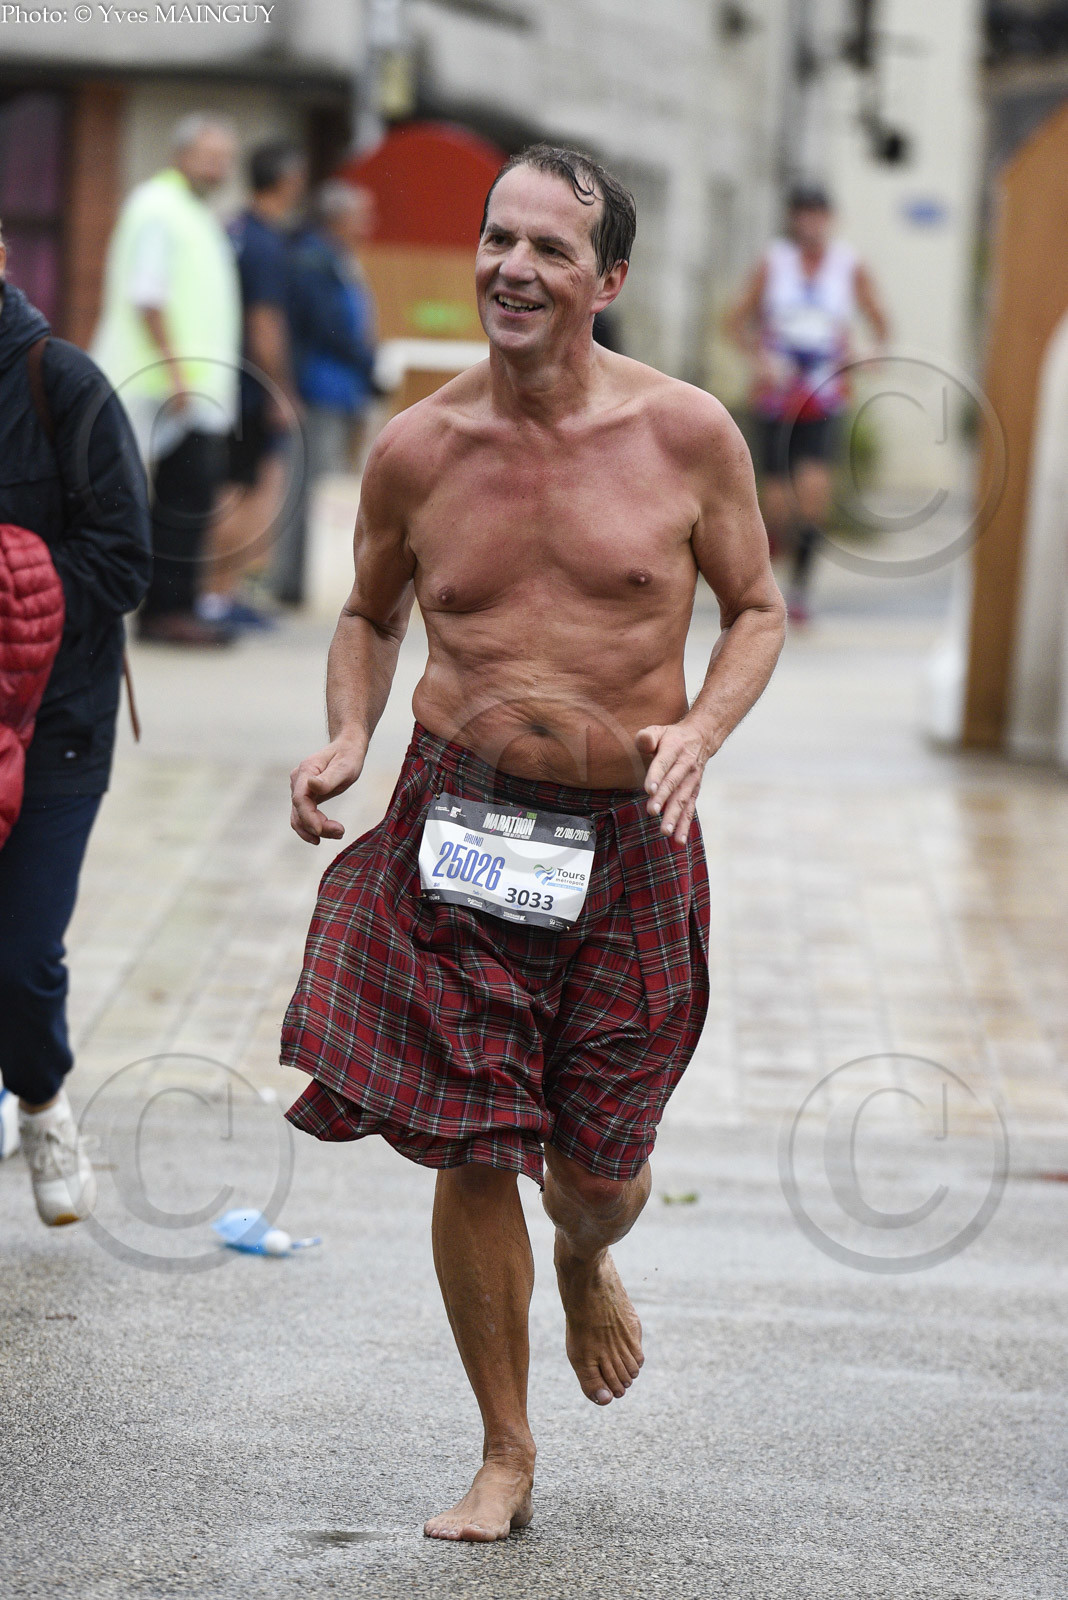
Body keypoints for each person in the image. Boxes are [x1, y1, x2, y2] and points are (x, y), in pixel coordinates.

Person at [283, 144, 786, 1542]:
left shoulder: (688, 435)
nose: (511, 266)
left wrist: (701, 732)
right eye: (497, 238)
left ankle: (583, 1252)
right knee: (473, 1136)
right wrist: (348, 731)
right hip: (461, 819)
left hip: (629, 832)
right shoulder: (421, 447)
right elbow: (370, 611)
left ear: (605, 278)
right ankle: (505, 1449)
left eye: (549, 247)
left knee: (603, 1170)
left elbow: (756, 607)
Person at [0, 223, 151, 1224]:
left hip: (56, 720)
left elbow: (126, 559)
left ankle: (40, 1095)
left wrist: (15, 579)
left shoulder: (63, 383)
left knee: (19, 953)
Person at [92, 113, 240, 646]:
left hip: (189, 387)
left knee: (187, 500)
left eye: (224, 159)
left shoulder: (193, 213)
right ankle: (162, 612)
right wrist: (176, 373)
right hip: (159, 384)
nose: (218, 168)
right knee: (166, 502)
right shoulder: (158, 207)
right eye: (209, 157)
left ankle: (171, 607)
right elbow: (147, 296)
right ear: (181, 154)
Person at [725, 184, 889, 621]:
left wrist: (865, 354)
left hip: (823, 394)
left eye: (818, 214)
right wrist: (760, 359)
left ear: (829, 219)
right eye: (803, 214)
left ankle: (799, 591)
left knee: (814, 493)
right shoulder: (773, 262)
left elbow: (880, 323)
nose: (810, 223)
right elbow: (734, 322)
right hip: (778, 395)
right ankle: (767, 584)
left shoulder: (848, 266)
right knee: (776, 501)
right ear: (793, 218)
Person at [199, 139, 307, 631]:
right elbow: (265, 322)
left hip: (224, 381)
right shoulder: (266, 242)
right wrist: (280, 389)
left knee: (230, 489)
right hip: (250, 388)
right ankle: (217, 596)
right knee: (245, 492)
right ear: (287, 181)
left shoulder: (233, 228)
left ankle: (222, 593)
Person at [279, 181, 378, 606]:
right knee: (310, 485)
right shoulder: (314, 260)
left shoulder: (337, 259)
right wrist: (368, 364)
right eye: (362, 216)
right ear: (338, 219)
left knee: (322, 485)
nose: (369, 224)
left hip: (341, 391)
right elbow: (329, 326)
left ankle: (306, 577)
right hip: (320, 390)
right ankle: (293, 582)